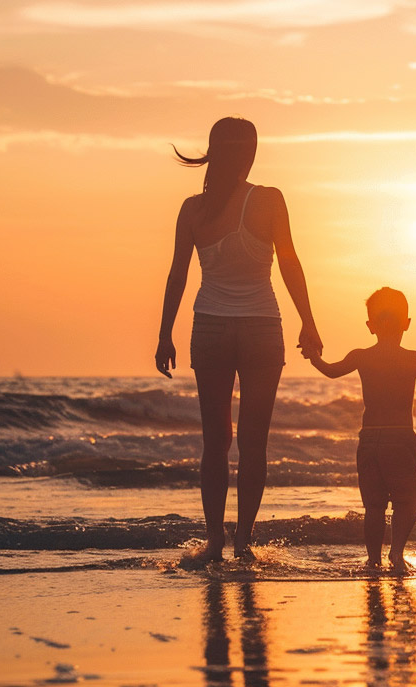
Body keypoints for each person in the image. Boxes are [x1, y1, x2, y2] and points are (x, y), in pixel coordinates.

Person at [154, 117, 322, 565]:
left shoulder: (192, 208)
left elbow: (178, 275)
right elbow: (289, 262)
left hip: (209, 328)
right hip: (261, 330)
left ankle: (214, 541)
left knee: (216, 442)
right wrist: (309, 321)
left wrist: (164, 333)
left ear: (213, 150)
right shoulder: (268, 199)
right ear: (249, 153)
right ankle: (244, 541)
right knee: (253, 442)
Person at [305, 288, 416, 571]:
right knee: (407, 503)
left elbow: (330, 370)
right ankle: (396, 554)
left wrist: (313, 356)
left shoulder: (361, 356)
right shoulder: (413, 358)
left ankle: (373, 559)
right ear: (407, 322)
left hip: (370, 438)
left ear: (370, 325)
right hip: (399, 437)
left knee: (374, 506)